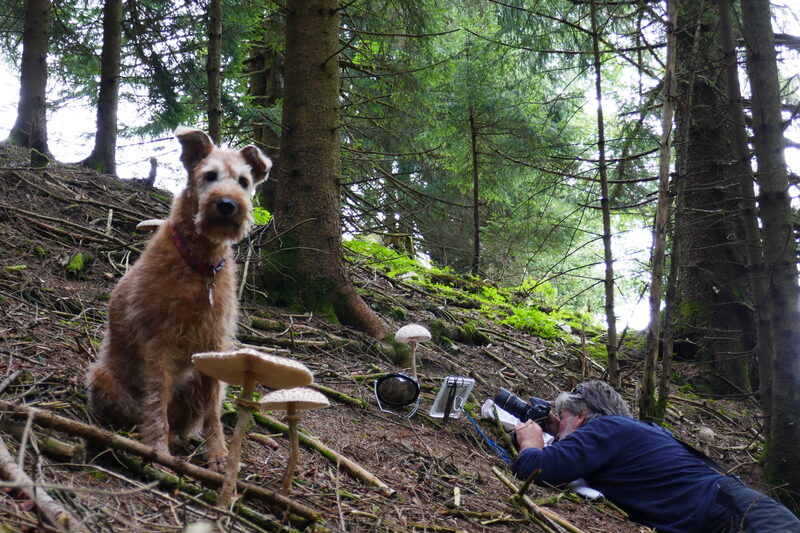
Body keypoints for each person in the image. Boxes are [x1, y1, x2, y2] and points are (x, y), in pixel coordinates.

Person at [512, 380, 800, 533]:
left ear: (582, 414)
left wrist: (530, 441)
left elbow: (536, 469)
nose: (558, 429)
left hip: (742, 517)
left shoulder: (607, 428)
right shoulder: (627, 432)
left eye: (561, 418)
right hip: (734, 511)